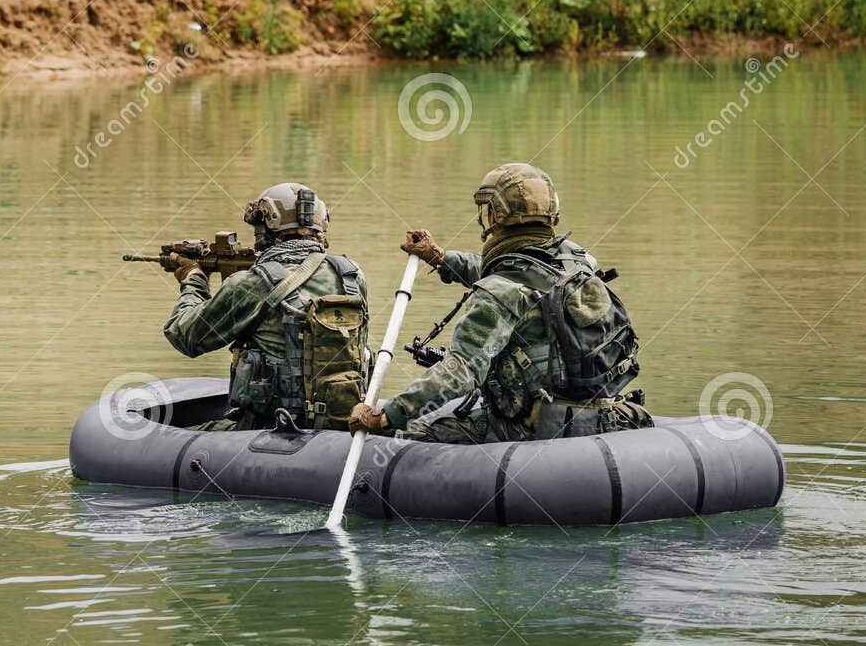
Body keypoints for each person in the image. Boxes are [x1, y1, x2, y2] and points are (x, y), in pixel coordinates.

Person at [349, 162, 651, 443]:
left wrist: (385, 417)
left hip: (533, 429)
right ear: (552, 214)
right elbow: (513, 269)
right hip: (602, 414)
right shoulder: (578, 262)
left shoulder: (502, 288)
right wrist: (441, 258)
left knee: (416, 432)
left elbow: (461, 372)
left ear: (494, 216)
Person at [164, 183, 370, 431]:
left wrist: (193, 280)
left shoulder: (252, 283)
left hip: (270, 428)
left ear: (265, 230)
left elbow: (185, 336)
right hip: (340, 424)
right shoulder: (350, 274)